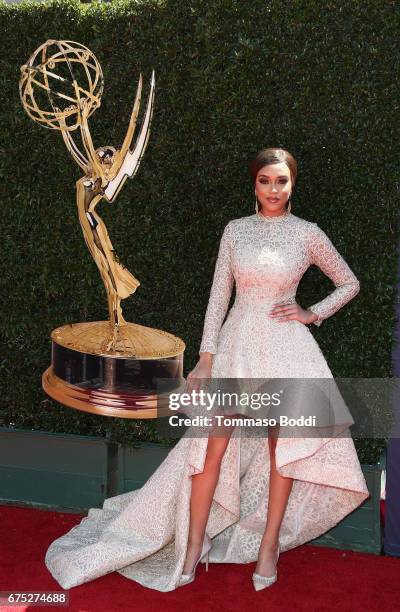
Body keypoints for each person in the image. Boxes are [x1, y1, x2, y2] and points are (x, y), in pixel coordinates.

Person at [45, 147, 369, 592]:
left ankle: (269, 546)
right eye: (265, 181)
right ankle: (193, 545)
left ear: (292, 185)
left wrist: (313, 312)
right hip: (236, 348)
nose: (273, 190)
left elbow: (349, 282)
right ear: (253, 184)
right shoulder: (235, 231)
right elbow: (219, 297)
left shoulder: (308, 233)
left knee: (283, 454)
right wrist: (207, 353)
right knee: (209, 451)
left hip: (288, 353)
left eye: (281, 181)